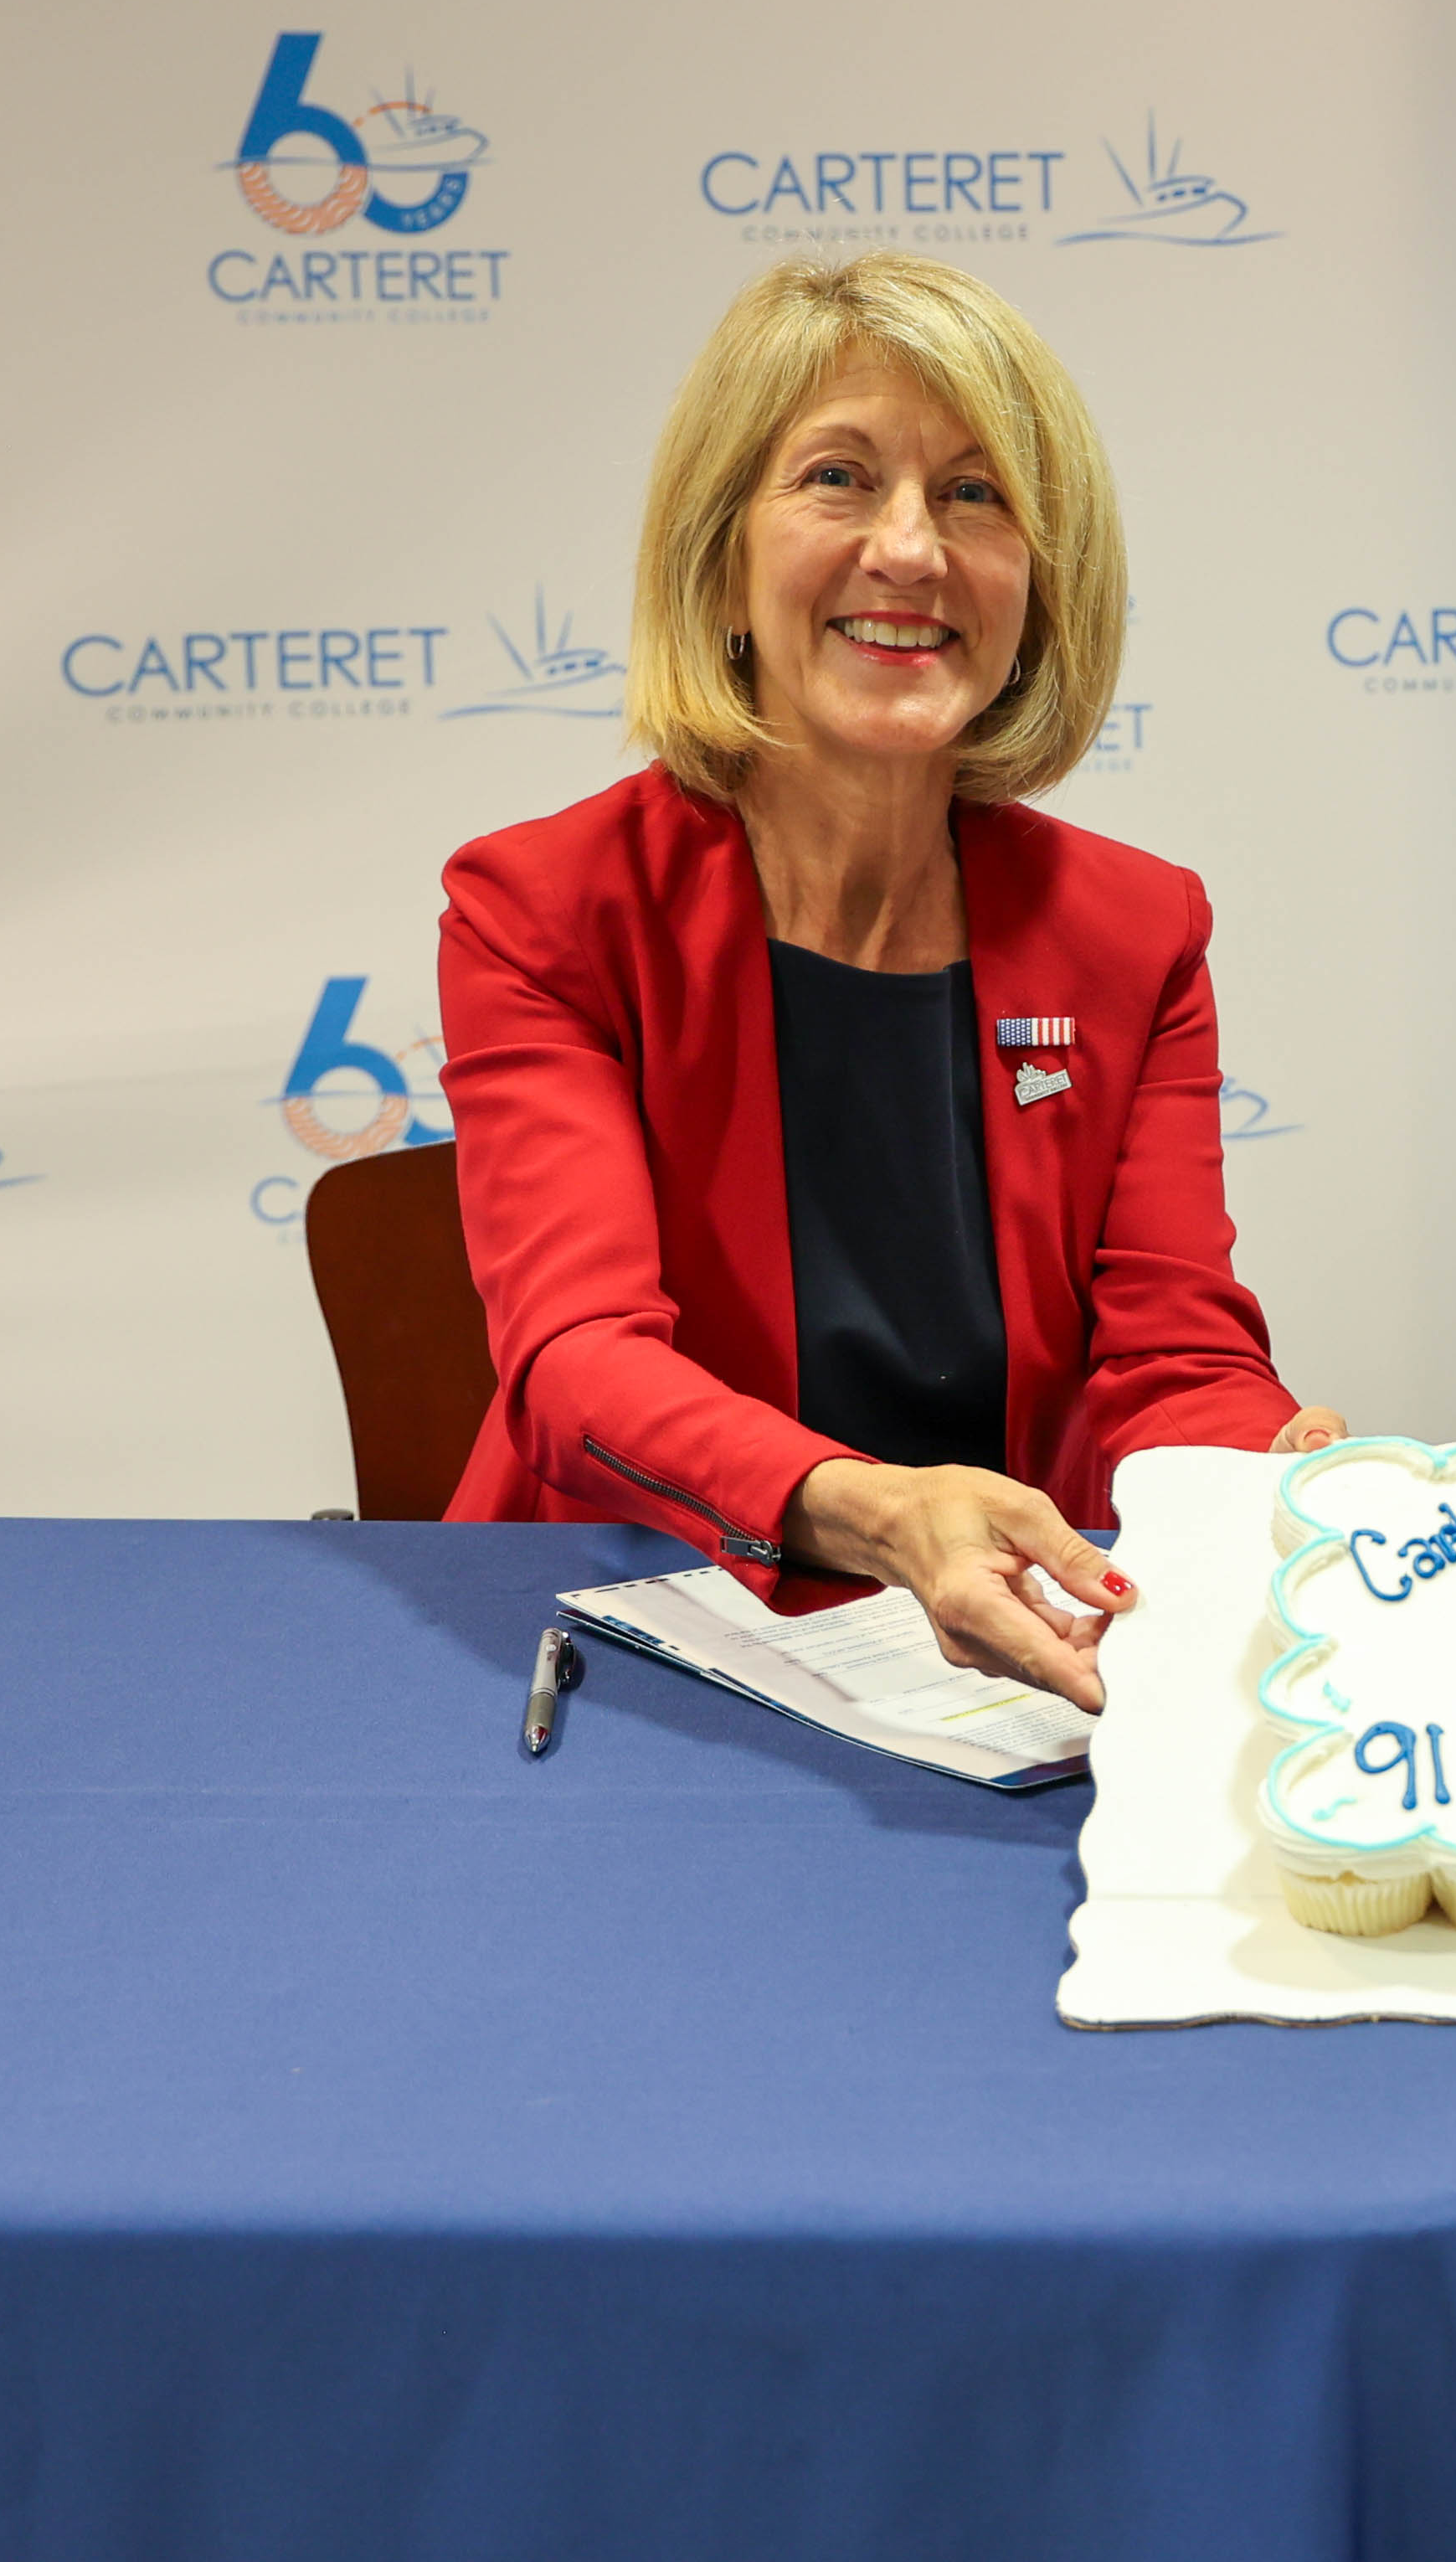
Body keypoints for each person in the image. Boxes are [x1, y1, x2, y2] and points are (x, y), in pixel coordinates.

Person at [437, 254, 1340, 1709]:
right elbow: (580, 1362)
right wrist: (882, 1511)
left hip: (1000, 1668)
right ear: (722, 558)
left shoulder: (1133, 927)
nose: (910, 550)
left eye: (974, 495)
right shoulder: (548, 907)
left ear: (1037, 587)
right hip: (633, 1640)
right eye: (840, 479)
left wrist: (1277, 1470)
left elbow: (1167, 1359)